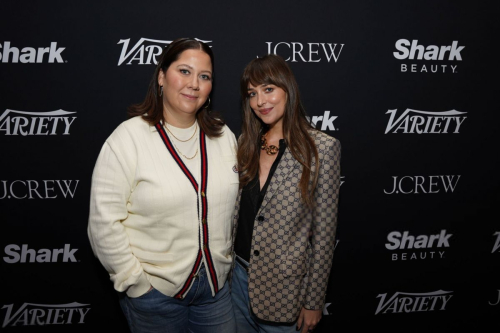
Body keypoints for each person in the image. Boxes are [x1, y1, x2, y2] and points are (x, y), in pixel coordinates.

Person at [87, 38, 238, 333]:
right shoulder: (128, 138)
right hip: (155, 296)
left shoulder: (224, 137)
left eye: (204, 76)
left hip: (216, 292)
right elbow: (103, 223)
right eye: (184, 71)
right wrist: (137, 284)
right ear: (161, 76)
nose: (194, 83)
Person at [231, 54, 341, 333]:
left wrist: (314, 302)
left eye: (268, 89)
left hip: (284, 291)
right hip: (235, 281)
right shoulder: (245, 142)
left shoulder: (322, 149)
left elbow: (325, 236)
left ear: (287, 89)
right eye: (252, 93)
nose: (260, 101)